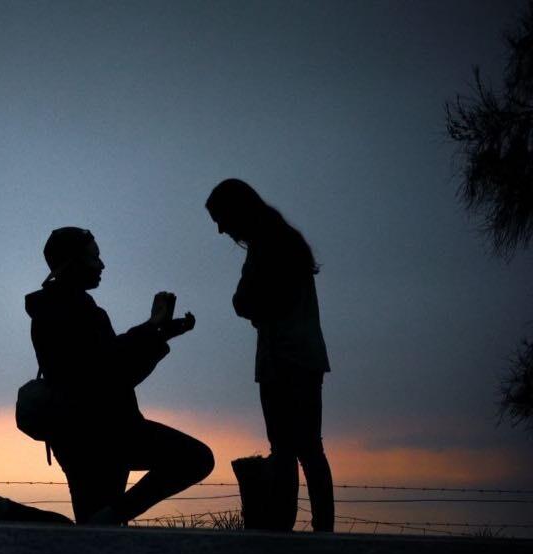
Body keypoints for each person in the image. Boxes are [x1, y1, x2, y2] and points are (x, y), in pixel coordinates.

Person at [24, 226, 214, 525]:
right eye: (93, 257)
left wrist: (158, 332)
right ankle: (6, 512)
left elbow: (108, 360)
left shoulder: (56, 309)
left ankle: (1, 511)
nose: (101, 265)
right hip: (107, 432)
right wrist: (154, 328)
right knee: (196, 459)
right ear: (71, 263)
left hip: (75, 438)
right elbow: (111, 371)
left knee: (93, 532)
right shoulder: (75, 311)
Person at [205, 178, 334, 532]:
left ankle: (286, 530)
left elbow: (246, 302)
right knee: (305, 448)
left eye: (220, 217)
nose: (219, 229)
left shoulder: (268, 245)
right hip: (300, 358)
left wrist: (252, 306)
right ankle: (317, 530)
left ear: (236, 210)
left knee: (290, 448)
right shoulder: (281, 240)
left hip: (284, 359)